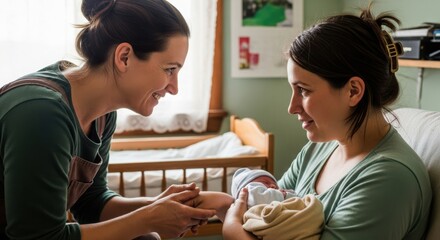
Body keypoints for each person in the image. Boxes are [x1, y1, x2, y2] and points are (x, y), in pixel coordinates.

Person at [0, 0, 217, 239]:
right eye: (169, 70)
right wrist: (147, 218)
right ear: (124, 57)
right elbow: (38, 237)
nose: (174, 88)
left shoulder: (103, 115)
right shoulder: (42, 113)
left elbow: (90, 203)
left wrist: (159, 206)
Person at [222, 4, 432, 240]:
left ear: (353, 90)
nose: (292, 108)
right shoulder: (319, 148)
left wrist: (233, 233)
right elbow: (267, 211)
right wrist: (223, 205)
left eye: (303, 90)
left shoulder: (390, 179)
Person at [231, 168, 298, 208]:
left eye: (275, 185)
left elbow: (296, 199)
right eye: (265, 182)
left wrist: (287, 194)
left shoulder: (274, 196)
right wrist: (283, 195)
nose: (273, 186)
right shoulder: (250, 192)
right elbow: (256, 197)